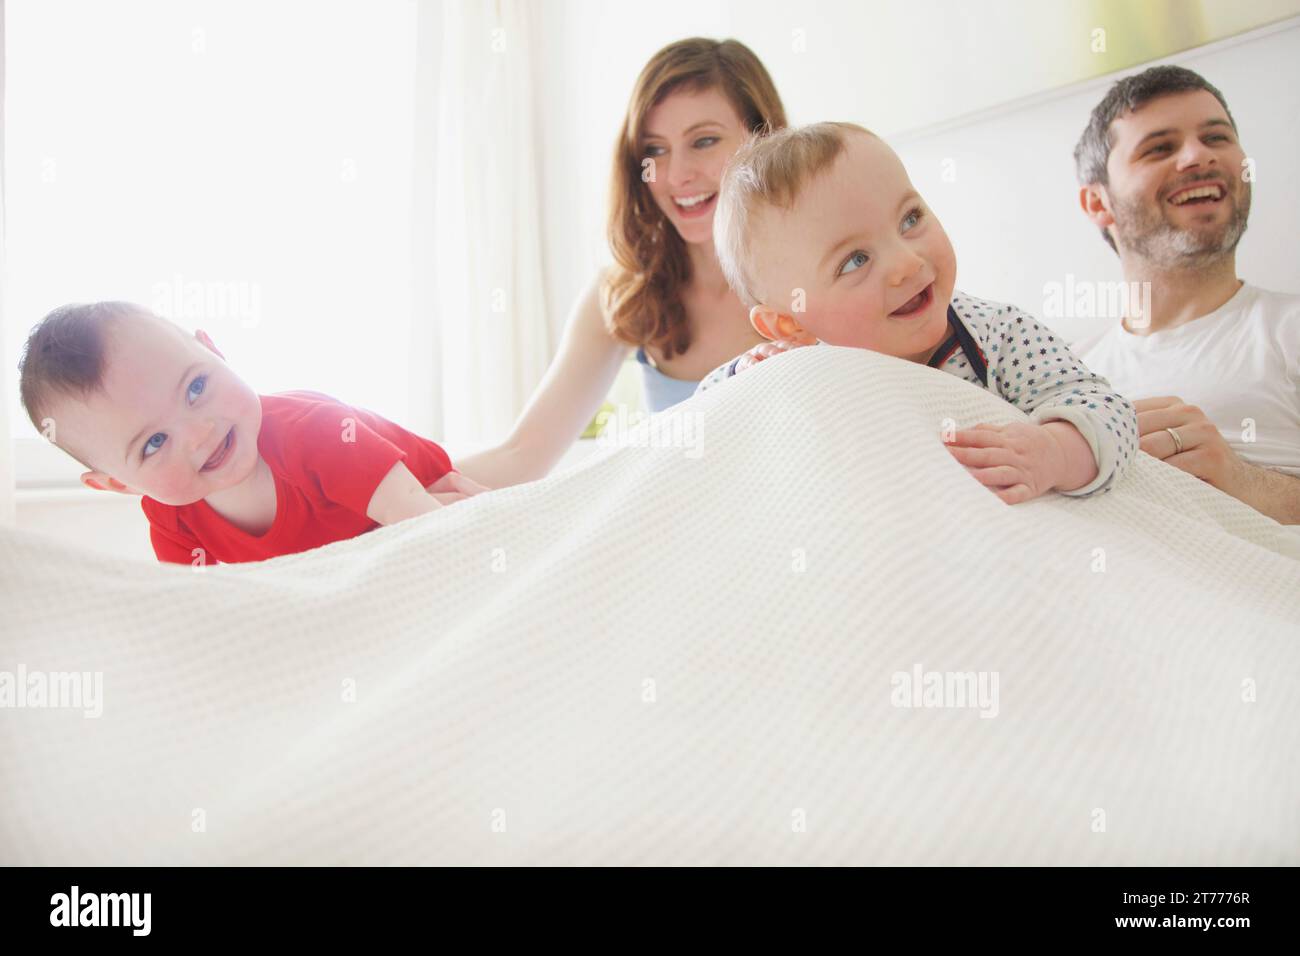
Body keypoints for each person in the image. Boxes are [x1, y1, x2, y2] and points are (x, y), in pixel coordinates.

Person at [697, 122, 1137, 504]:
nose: (906, 262)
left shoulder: (998, 334)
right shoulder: (791, 371)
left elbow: (1108, 410)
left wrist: (1055, 452)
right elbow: (701, 432)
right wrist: (746, 377)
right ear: (790, 325)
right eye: (855, 260)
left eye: (909, 219)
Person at [455, 38, 786, 489]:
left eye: (703, 141)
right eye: (655, 150)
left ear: (763, 136)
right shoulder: (625, 291)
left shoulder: (815, 273)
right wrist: (386, 471)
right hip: (681, 528)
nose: (674, 176)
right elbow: (518, 456)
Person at [18, 302, 483, 565]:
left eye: (196, 387)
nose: (200, 434)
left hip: (429, 485)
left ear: (214, 350)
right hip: (362, 535)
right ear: (119, 483)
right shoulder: (172, 520)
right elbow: (198, 614)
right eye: (154, 443)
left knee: (520, 462)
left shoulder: (317, 434)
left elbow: (435, 533)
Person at [1071, 65, 1299, 524]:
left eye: (1216, 138)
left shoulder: (1288, 329)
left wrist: (1242, 483)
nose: (1198, 156)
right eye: (1160, 148)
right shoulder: (1069, 373)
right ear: (1099, 203)